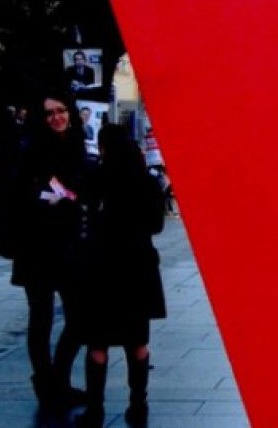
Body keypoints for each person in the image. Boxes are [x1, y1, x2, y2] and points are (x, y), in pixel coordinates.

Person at [75, 125, 166, 428]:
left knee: (98, 343)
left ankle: (95, 410)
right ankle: (138, 405)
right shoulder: (148, 182)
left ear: (103, 148)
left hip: (101, 268)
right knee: (137, 341)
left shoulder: (96, 178)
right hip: (138, 268)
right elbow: (156, 226)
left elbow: (85, 215)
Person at [9, 92, 91, 411]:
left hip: (70, 245)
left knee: (78, 317)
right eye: (49, 113)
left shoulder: (76, 145)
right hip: (36, 245)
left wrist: (73, 197)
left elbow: (83, 189)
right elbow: (20, 194)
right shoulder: (29, 148)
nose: (57, 117)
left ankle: (58, 380)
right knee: (41, 317)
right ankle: (47, 385)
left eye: (61, 111)